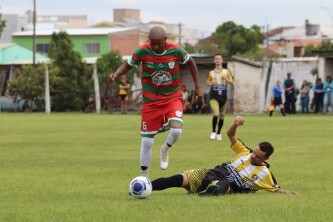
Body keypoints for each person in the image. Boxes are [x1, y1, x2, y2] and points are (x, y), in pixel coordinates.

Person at [109, 26, 203, 178]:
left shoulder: (177, 50)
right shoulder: (141, 51)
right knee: (147, 143)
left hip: (172, 97)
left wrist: (198, 86)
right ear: (149, 41)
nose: (155, 47)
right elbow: (128, 64)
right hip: (151, 101)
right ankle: (143, 177)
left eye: (159, 43)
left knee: (177, 130)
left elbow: (191, 62)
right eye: (152, 43)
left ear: (165, 40)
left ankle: (165, 149)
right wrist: (116, 74)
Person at [151, 115, 299, 196]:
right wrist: (235, 123)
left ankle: (206, 193)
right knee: (176, 179)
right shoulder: (244, 151)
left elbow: (276, 189)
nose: (253, 156)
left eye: (258, 156)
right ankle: (146, 187)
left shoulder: (265, 173)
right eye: (254, 152)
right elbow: (230, 133)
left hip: (227, 186)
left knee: (223, 185)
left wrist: (290, 193)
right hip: (211, 173)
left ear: (266, 159)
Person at [206, 54, 233, 141]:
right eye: (216, 59)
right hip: (214, 96)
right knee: (216, 114)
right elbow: (208, 82)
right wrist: (211, 83)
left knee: (222, 116)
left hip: (223, 96)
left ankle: (218, 133)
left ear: (222, 60)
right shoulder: (211, 73)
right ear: (214, 61)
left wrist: (226, 79)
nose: (217, 60)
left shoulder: (226, 72)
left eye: (219, 58)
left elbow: (232, 82)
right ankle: (213, 131)